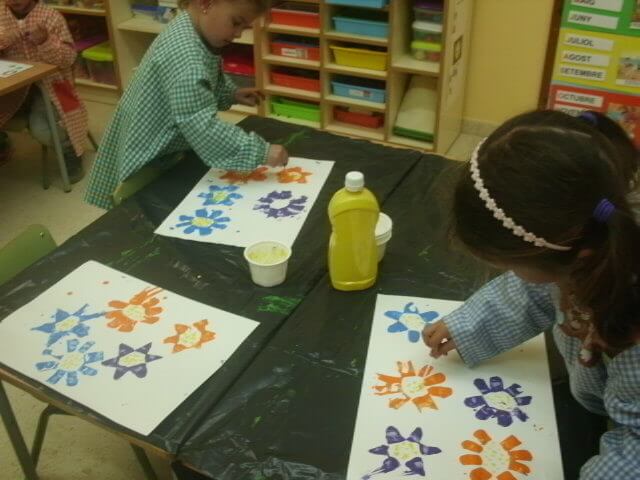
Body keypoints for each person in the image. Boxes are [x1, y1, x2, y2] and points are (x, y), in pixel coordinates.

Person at [423, 110, 640, 479]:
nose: (512, 274)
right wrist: (471, 325)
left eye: (512, 265)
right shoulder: (588, 232)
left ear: (578, 258)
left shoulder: (631, 329)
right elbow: (535, 289)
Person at [85, 0, 288, 209]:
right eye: (236, 22)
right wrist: (260, 152)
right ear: (206, 3)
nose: (237, 34)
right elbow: (201, 126)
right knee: (142, 209)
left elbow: (203, 80)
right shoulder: (186, 58)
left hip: (161, 142)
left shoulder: (190, 25)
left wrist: (230, 94)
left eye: (244, 28)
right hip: (149, 157)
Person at [0, 0, 88, 181]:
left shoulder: (51, 17)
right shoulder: (1, 14)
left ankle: (69, 152)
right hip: (13, 86)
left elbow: (68, 59)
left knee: (44, 129)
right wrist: (3, 41)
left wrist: (44, 41)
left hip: (49, 85)